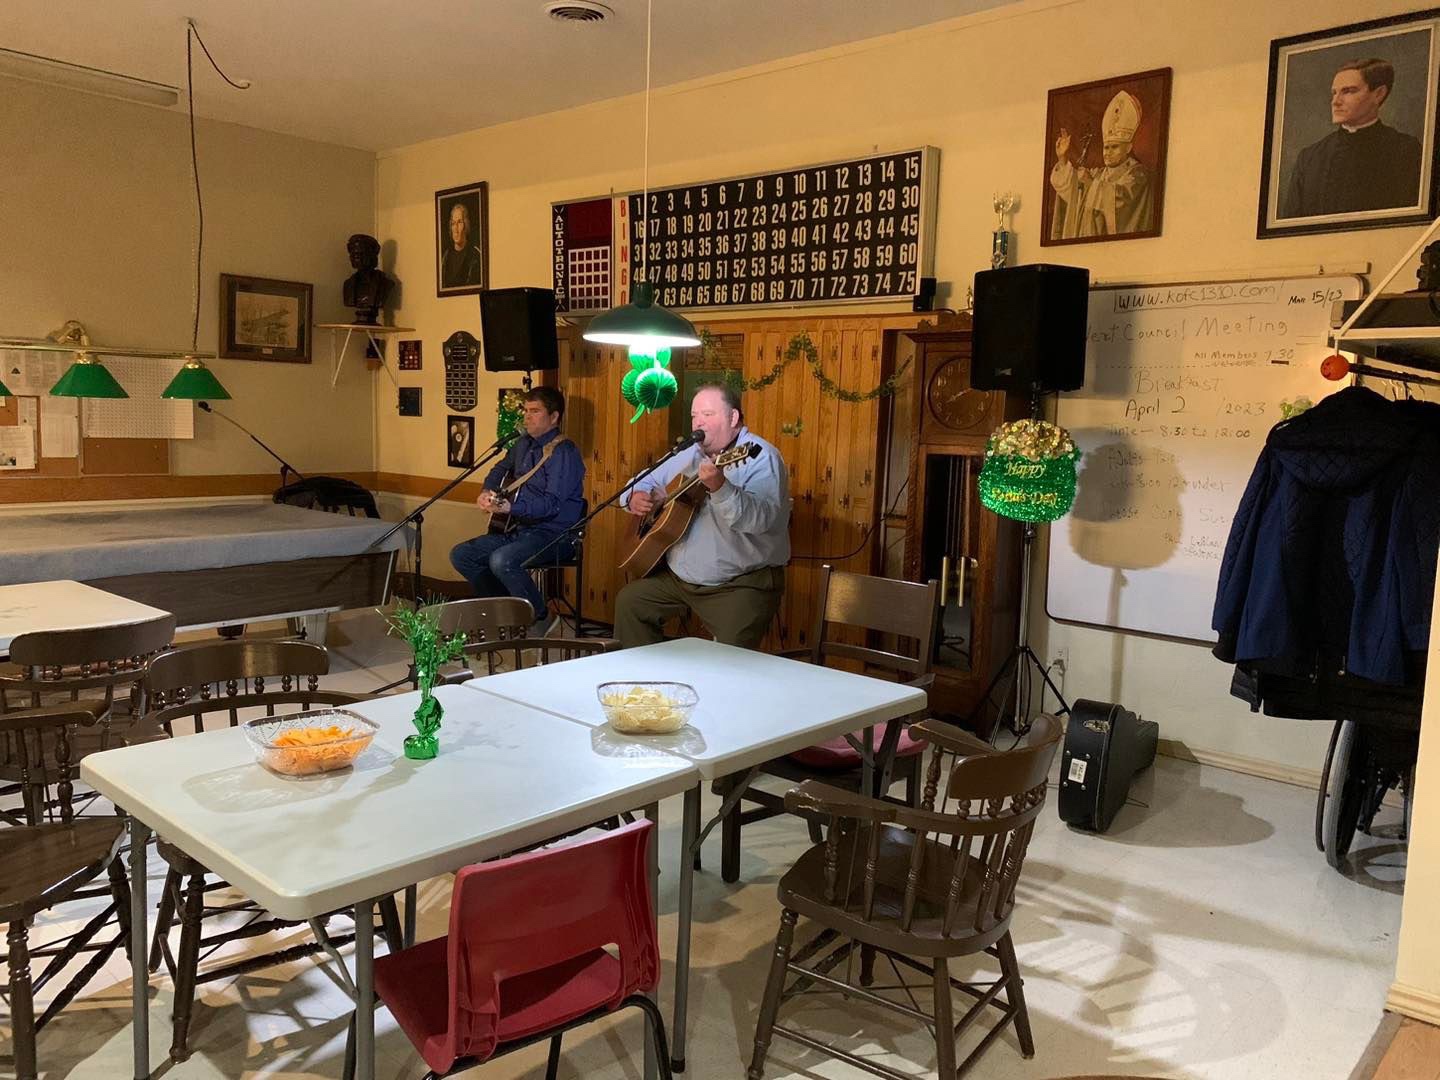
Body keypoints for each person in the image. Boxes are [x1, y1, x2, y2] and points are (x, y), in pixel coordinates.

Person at [614, 385, 790, 650]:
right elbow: (642, 481)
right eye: (694, 415)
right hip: (680, 578)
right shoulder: (688, 452)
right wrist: (635, 495)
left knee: (730, 658)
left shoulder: (759, 456)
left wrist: (721, 488)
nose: (698, 422)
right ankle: (649, 674)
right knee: (631, 603)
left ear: (733, 418)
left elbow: (761, 520)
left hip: (739, 583)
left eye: (707, 414)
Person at [449, 387, 584, 636]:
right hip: (519, 530)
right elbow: (499, 470)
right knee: (462, 554)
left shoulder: (564, 452)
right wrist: (487, 491)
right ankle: (507, 612)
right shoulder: (523, 444)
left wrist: (512, 507)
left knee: (502, 560)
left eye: (535, 411)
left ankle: (541, 617)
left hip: (554, 535)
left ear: (554, 417)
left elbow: (552, 504)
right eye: (526, 410)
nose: (527, 417)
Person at [1281, 58, 1423, 219]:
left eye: (1348, 91)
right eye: (1334, 93)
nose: (1336, 102)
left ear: (1378, 94)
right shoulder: (1310, 158)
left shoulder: (1406, 150)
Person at [1049, 89, 1154, 240]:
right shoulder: (1098, 173)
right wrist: (1062, 159)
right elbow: (1071, 191)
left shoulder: (1138, 174)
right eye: (1106, 147)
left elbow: (1122, 202)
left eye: (1114, 147)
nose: (1108, 153)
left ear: (1128, 148)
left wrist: (1091, 184)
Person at [341, 233, 392, 324]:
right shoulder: (348, 284)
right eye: (353, 253)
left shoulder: (384, 283)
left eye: (361, 253)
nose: (356, 257)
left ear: (372, 256)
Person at [440, 201, 484, 288]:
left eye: (459, 222)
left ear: (466, 225)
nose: (456, 229)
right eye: (453, 223)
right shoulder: (445, 257)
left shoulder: (475, 255)